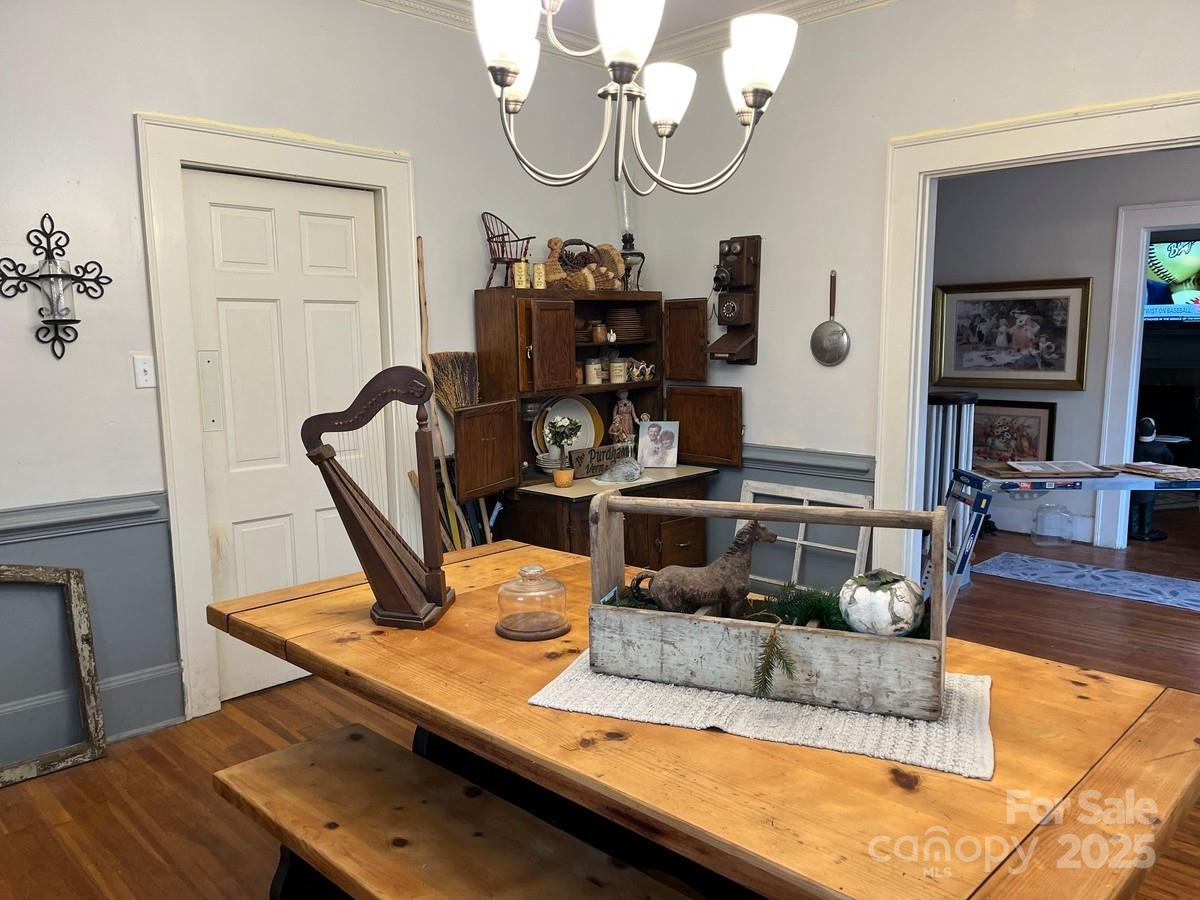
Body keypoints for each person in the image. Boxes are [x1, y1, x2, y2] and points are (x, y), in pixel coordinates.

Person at [1129, 416, 1173, 541]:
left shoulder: (1133, 446)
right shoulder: (1161, 447)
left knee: (1134, 506)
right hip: (1152, 481)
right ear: (1154, 431)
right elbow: (1170, 459)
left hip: (1134, 480)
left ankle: (1133, 529)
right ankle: (1146, 530)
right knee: (1148, 507)